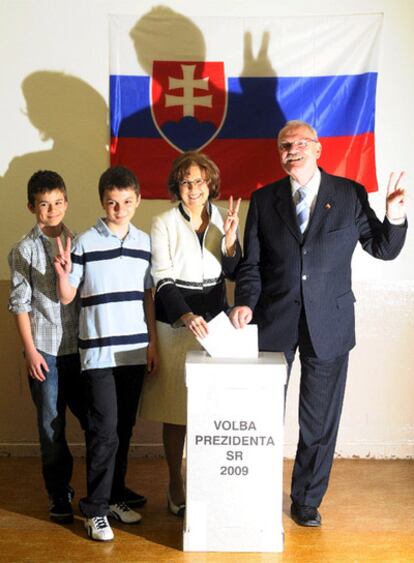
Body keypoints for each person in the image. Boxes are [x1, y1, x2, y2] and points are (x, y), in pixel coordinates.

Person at [230, 120, 407, 527]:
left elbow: (382, 249)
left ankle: (306, 500)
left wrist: (394, 216)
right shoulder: (263, 200)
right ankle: (254, 490)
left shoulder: (349, 194)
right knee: (261, 415)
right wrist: (244, 303)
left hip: (330, 323)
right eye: (283, 146)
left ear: (318, 149)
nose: (291, 150)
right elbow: (252, 265)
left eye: (298, 144)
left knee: (318, 421)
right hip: (275, 322)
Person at [54, 166, 158, 541]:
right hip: (98, 354)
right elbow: (68, 296)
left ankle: (114, 497)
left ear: (138, 201)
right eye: (113, 203)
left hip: (134, 352)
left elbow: (148, 297)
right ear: (103, 202)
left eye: (127, 202)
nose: (120, 209)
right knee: (103, 432)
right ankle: (95, 510)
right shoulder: (83, 242)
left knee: (124, 430)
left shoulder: (146, 242)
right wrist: (64, 274)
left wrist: (152, 344)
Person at [139, 151, 241, 516]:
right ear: (176, 187)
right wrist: (185, 314)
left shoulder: (223, 217)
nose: (192, 188)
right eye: (185, 182)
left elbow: (232, 271)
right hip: (175, 321)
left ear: (210, 183)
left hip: (215, 319)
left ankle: (206, 479)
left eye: (198, 181)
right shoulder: (162, 221)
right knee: (176, 410)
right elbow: (162, 278)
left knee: (210, 406)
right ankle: (175, 481)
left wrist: (230, 239)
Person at [8, 170, 85, 523]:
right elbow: (19, 304)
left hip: (80, 350)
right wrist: (31, 351)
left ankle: (105, 492)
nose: (52, 210)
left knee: (96, 420)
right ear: (31, 207)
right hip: (46, 352)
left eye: (57, 203)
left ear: (66, 203)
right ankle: (59, 494)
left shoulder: (79, 243)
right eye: (44, 205)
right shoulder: (23, 250)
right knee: (51, 426)